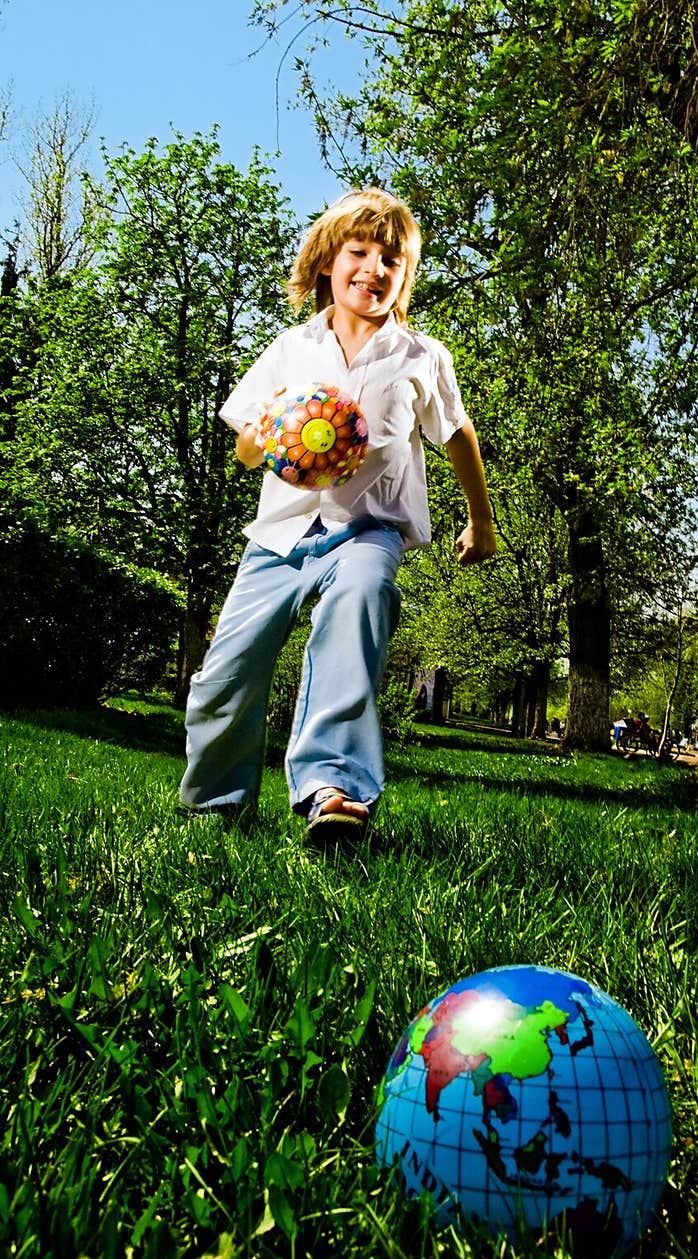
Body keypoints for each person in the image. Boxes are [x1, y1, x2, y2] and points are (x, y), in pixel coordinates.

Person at [179, 188, 497, 844]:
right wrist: (284, 429)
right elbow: (243, 446)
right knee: (226, 673)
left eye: (392, 259)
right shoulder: (291, 349)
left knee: (363, 596)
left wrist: (481, 521)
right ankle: (214, 806)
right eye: (359, 252)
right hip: (280, 534)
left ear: (406, 275)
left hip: (368, 530)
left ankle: (335, 790)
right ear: (328, 261)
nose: (374, 269)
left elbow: (459, 435)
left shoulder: (421, 358)